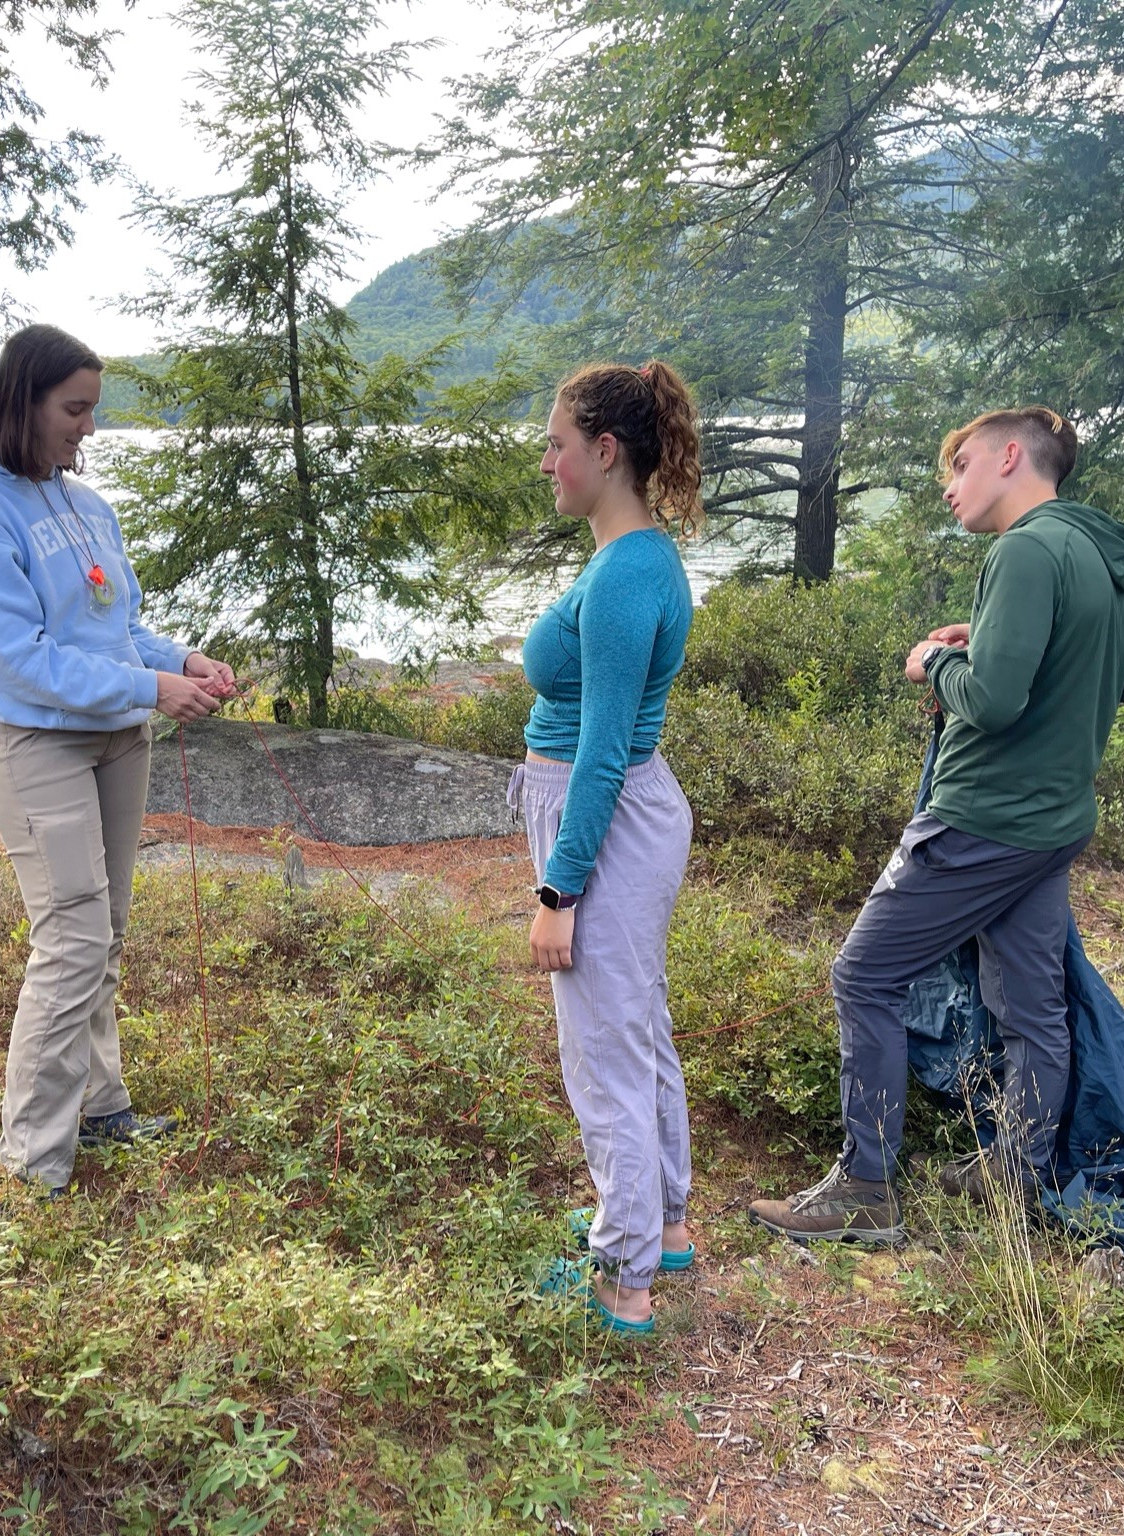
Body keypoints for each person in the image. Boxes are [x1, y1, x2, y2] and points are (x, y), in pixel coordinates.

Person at [749, 406, 1124, 1244]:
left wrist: (933, 660)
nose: (947, 486)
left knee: (862, 976)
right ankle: (1013, 1177)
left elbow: (994, 703)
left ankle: (863, 1187)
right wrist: (1000, 637)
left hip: (981, 822)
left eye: (959, 464)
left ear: (1010, 457)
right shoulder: (1107, 552)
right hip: (1055, 818)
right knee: (1029, 1009)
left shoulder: (1023, 549)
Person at [0, 324, 236, 1191]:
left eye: (92, 410)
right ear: (20, 402)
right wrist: (147, 690)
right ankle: (30, 1160)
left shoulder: (84, 505)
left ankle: (102, 1107)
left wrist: (179, 662)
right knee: (69, 937)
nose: (87, 429)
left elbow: (119, 625)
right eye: (74, 410)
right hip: (34, 742)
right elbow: (16, 657)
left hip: (114, 737)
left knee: (106, 933)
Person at [514, 361, 702, 1334]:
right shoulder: (629, 557)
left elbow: (599, 752)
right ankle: (662, 1227)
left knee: (604, 1055)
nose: (544, 459)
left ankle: (622, 1280)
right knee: (637, 1030)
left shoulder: (629, 572)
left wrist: (559, 892)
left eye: (556, 442)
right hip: (619, 814)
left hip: (606, 820)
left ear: (604, 450)